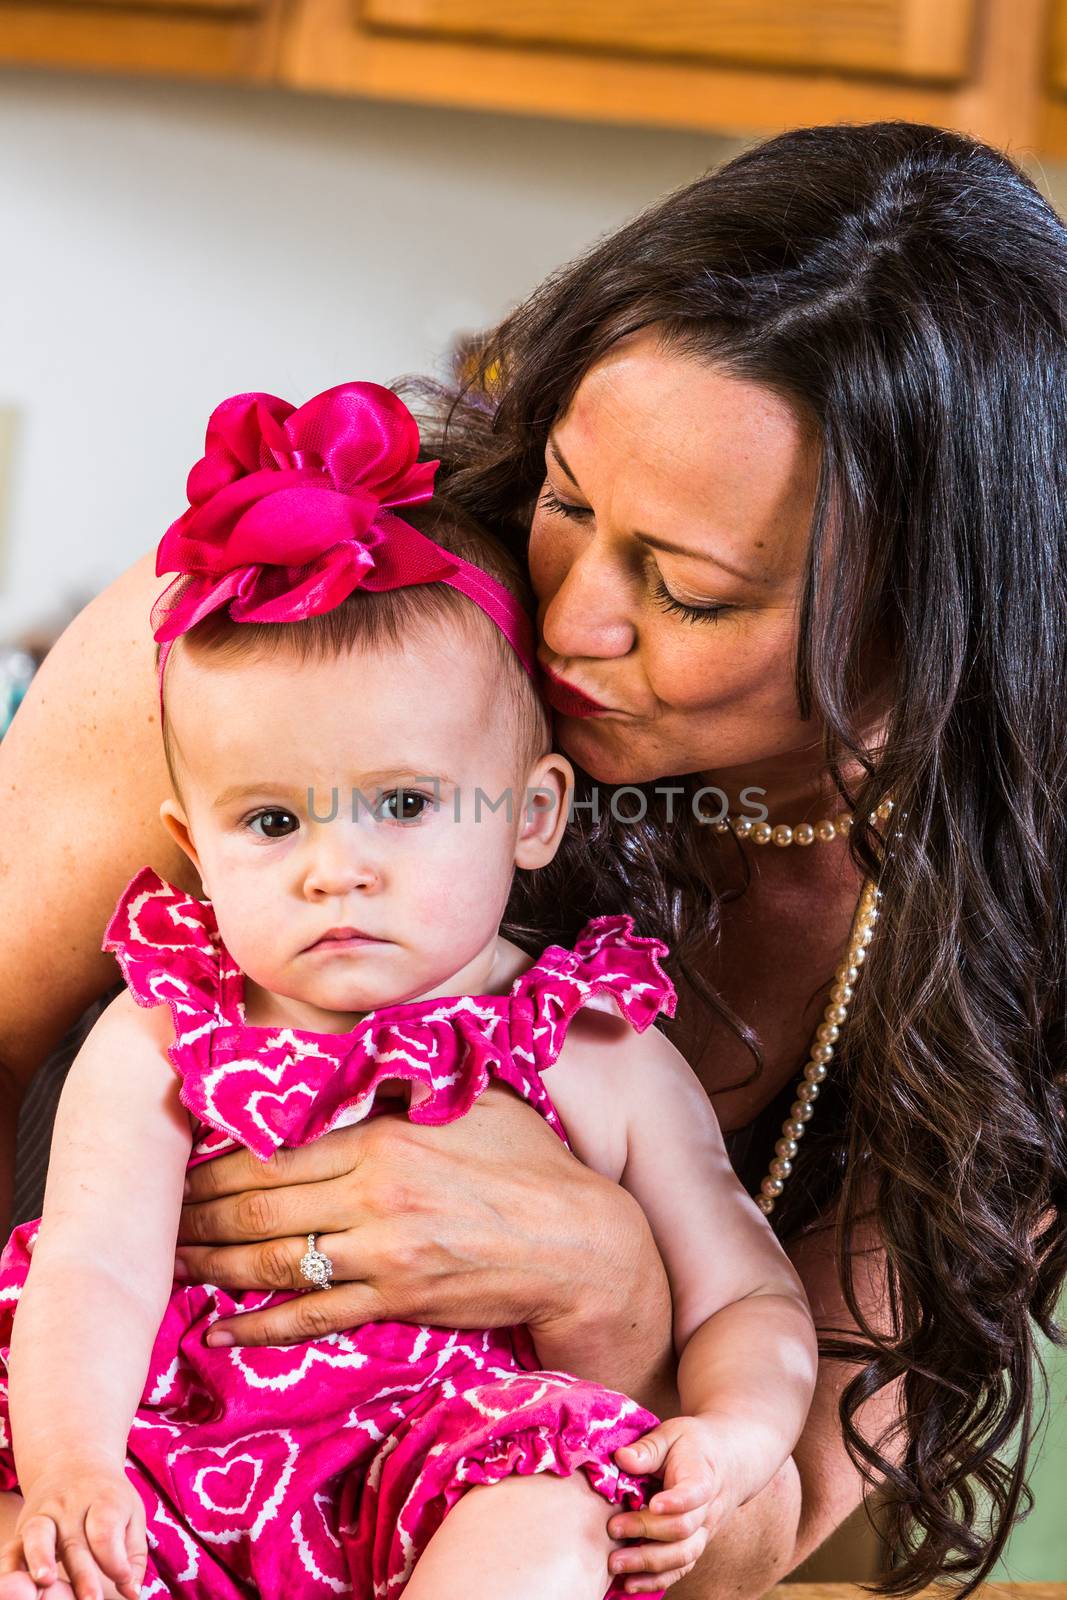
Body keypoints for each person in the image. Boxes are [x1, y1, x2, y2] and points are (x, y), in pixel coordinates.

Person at [1, 120, 1064, 1597]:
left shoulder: (1013, 920)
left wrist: (612, 1294)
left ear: (939, 622)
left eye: (686, 592)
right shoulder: (311, 649)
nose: (569, 624)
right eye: (569, 500)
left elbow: (748, 1532)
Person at [0, 383, 817, 1600]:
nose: (340, 866)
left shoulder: (593, 1043)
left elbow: (742, 1288)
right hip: (183, 1462)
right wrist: (73, 1469)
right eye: (273, 820)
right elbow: (91, 1271)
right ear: (193, 841)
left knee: (549, 1532)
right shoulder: (168, 1029)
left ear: (531, 815)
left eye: (404, 803)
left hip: (460, 1475)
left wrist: (736, 1432)